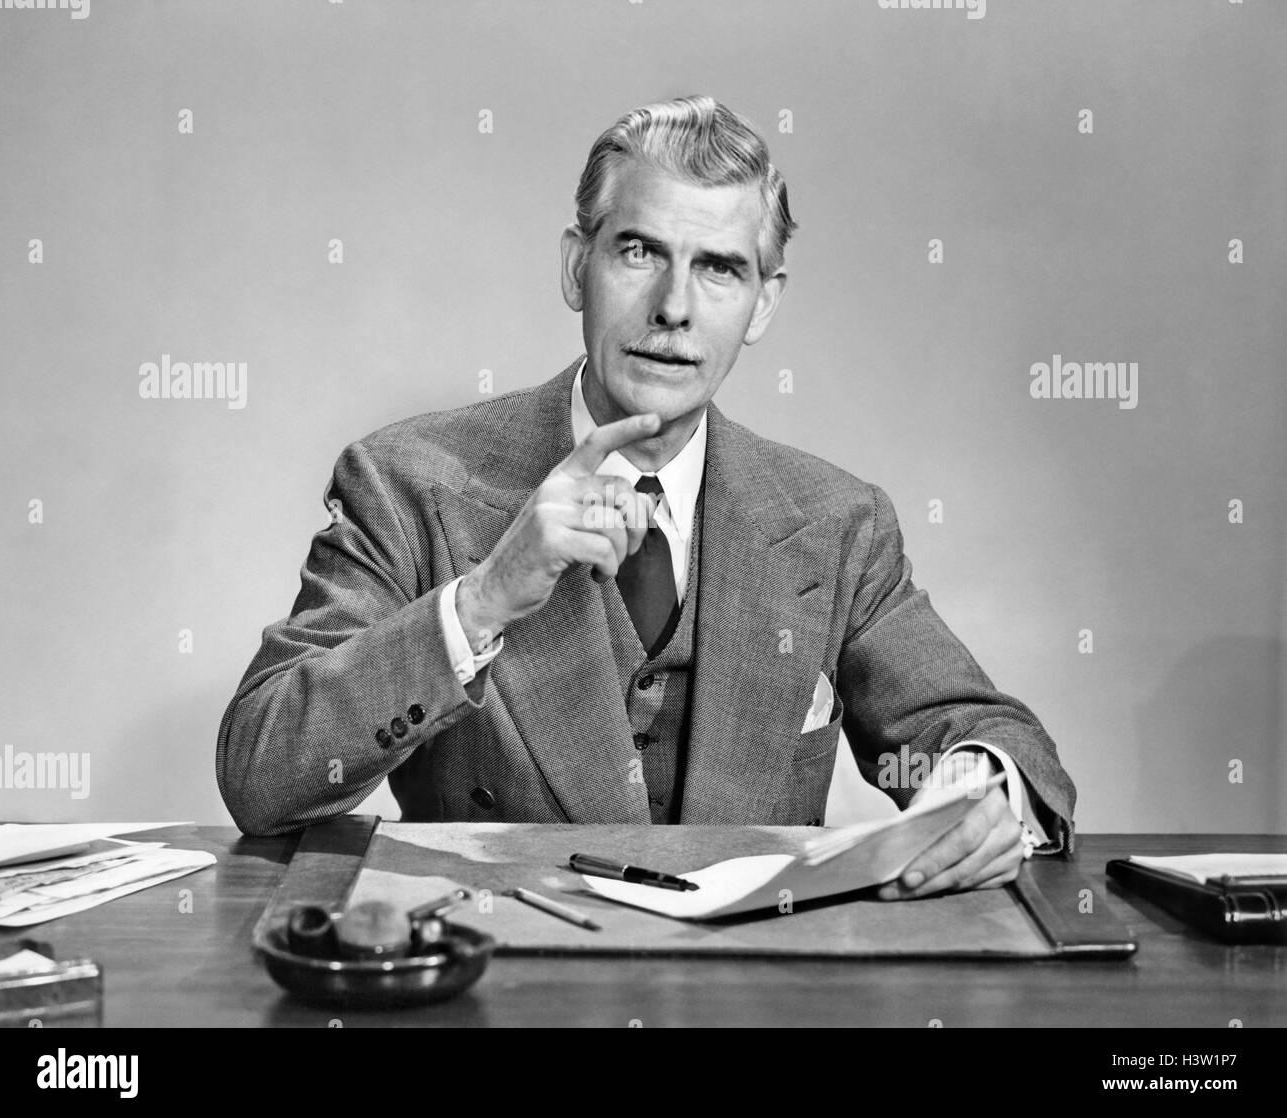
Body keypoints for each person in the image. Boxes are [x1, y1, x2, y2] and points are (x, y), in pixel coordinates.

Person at [217, 95, 1075, 900]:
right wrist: (477, 605)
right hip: (503, 986)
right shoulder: (408, 480)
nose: (674, 307)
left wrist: (980, 784)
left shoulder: (838, 523)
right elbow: (261, 775)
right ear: (574, 266)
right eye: (639, 252)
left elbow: (991, 732)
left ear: (763, 302)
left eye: (719, 269)